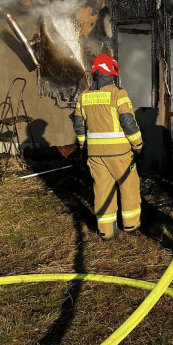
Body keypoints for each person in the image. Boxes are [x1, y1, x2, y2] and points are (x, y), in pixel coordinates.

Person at [73, 53, 143, 240]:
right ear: (112, 71)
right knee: (129, 186)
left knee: (102, 190)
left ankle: (106, 231)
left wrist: (83, 146)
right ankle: (130, 224)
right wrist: (137, 144)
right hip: (120, 153)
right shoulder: (118, 93)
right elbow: (128, 122)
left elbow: (79, 125)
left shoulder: (84, 97)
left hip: (95, 154)